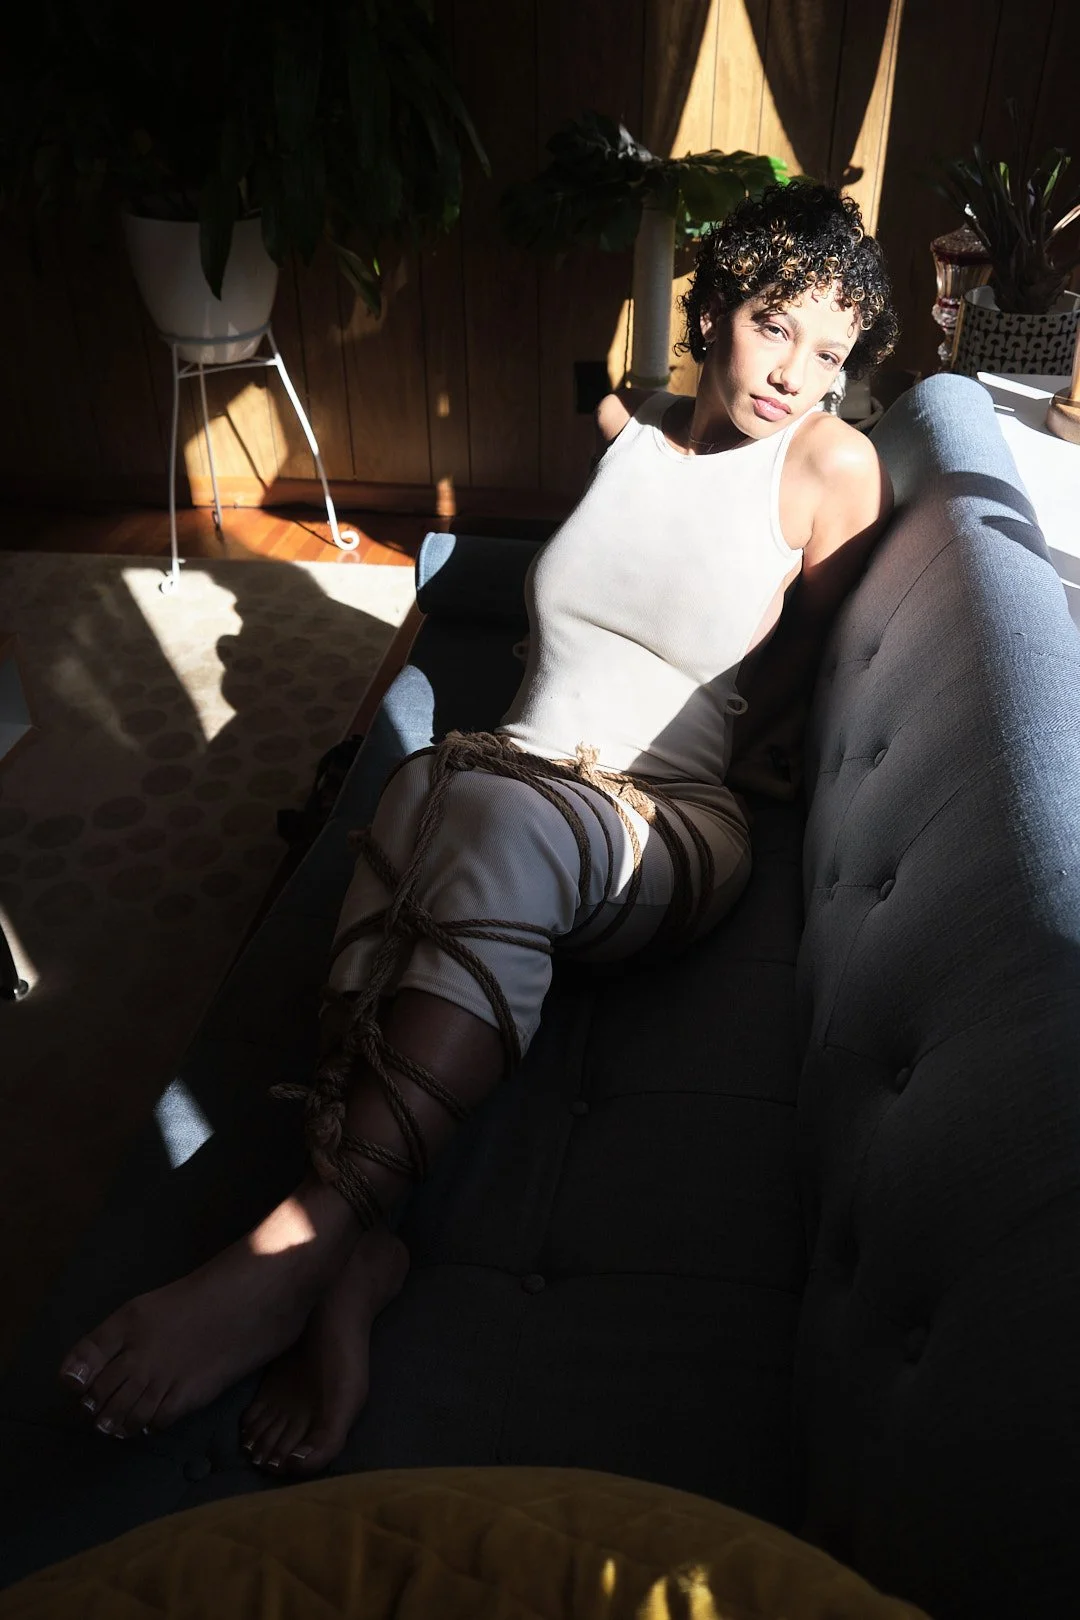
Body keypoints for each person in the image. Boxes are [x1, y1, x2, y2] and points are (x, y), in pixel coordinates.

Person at [59, 180, 899, 1474]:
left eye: (830, 351)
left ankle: (292, 1245)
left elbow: (796, 669)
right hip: (508, 775)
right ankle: (358, 1259)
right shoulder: (634, 436)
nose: (798, 374)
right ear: (717, 308)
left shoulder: (829, 469)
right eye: (777, 326)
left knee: (486, 810)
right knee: (414, 792)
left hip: (665, 817)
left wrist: (736, 754)